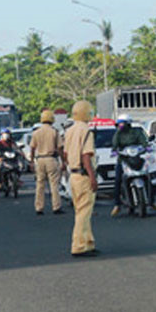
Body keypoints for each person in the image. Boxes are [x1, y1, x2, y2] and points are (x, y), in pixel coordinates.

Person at [65, 100, 98, 257]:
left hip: (73, 174)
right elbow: (86, 156)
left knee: (81, 210)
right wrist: (92, 177)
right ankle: (78, 246)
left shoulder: (69, 131)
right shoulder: (86, 131)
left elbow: (65, 153)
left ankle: (88, 243)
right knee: (84, 213)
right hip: (84, 175)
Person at [110, 114, 156, 216]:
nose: (120, 126)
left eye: (122, 124)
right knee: (118, 179)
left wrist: (147, 147)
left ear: (128, 123)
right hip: (124, 159)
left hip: (137, 158)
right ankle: (117, 205)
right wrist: (115, 151)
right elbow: (115, 145)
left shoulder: (136, 132)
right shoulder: (118, 134)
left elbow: (143, 141)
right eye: (119, 124)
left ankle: (151, 201)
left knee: (151, 177)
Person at [30, 110, 64, 215]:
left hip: (40, 159)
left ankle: (39, 207)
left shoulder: (36, 132)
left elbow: (32, 148)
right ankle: (56, 206)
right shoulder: (54, 132)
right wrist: (63, 161)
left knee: (40, 184)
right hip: (51, 159)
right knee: (54, 184)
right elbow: (60, 148)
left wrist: (31, 161)